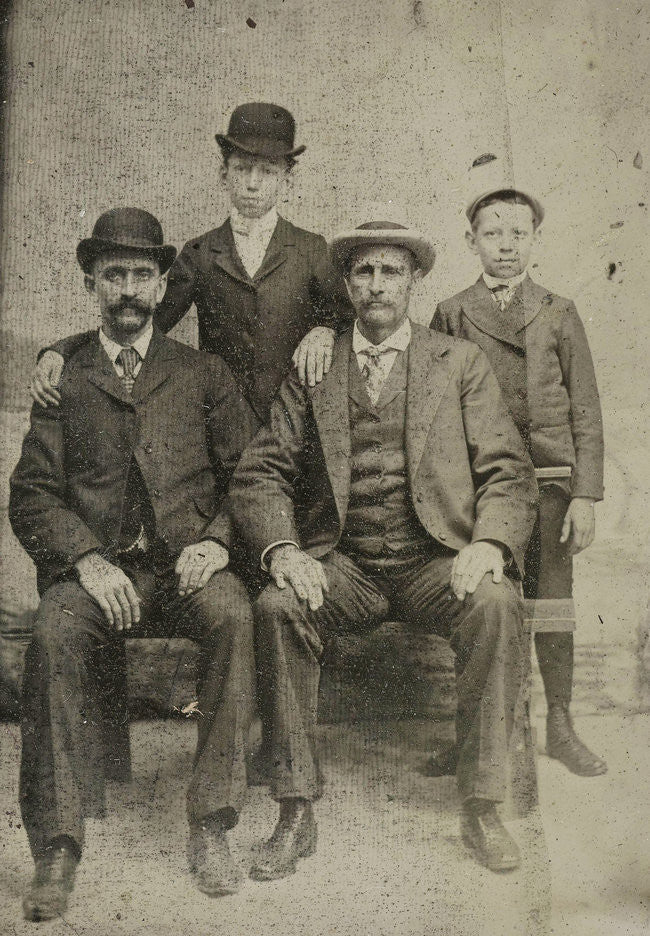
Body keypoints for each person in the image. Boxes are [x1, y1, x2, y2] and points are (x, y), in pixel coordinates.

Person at [228, 221, 539, 879]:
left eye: (390, 272)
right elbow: (261, 470)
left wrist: (487, 542)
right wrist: (285, 549)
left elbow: (508, 469)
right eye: (364, 272)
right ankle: (294, 807)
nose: (377, 286)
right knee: (278, 605)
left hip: (434, 560)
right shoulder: (315, 364)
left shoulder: (457, 362)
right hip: (345, 564)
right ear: (346, 284)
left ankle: (483, 804)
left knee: (496, 601)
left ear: (413, 281)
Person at [9, 208, 259, 922]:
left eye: (140, 275)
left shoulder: (203, 373)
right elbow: (30, 494)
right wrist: (85, 558)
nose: (126, 288)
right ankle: (57, 846)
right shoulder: (67, 377)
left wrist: (216, 542)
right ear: (92, 282)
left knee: (236, 616)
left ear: (160, 285)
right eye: (113, 274)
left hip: (188, 570)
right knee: (54, 634)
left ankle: (212, 822)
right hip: (100, 577)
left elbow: (251, 473)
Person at [431, 167, 606, 777]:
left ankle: (559, 723)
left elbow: (586, 408)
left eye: (519, 233)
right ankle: (472, 735)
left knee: (553, 604)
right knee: (481, 604)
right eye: (492, 233)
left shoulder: (560, 312)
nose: (506, 245)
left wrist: (585, 494)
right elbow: (434, 412)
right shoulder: (451, 313)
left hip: (554, 483)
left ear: (535, 239)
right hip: (484, 490)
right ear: (471, 241)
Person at [29, 102, 351, 421]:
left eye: (267, 171)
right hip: (221, 426)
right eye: (242, 168)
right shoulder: (200, 252)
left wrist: (325, 329)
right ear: (223, 174)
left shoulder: (311, 249)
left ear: (288, 180)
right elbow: (140, 323)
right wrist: (62, 349)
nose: (253, 183)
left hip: (293, 429)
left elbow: (350, 321)